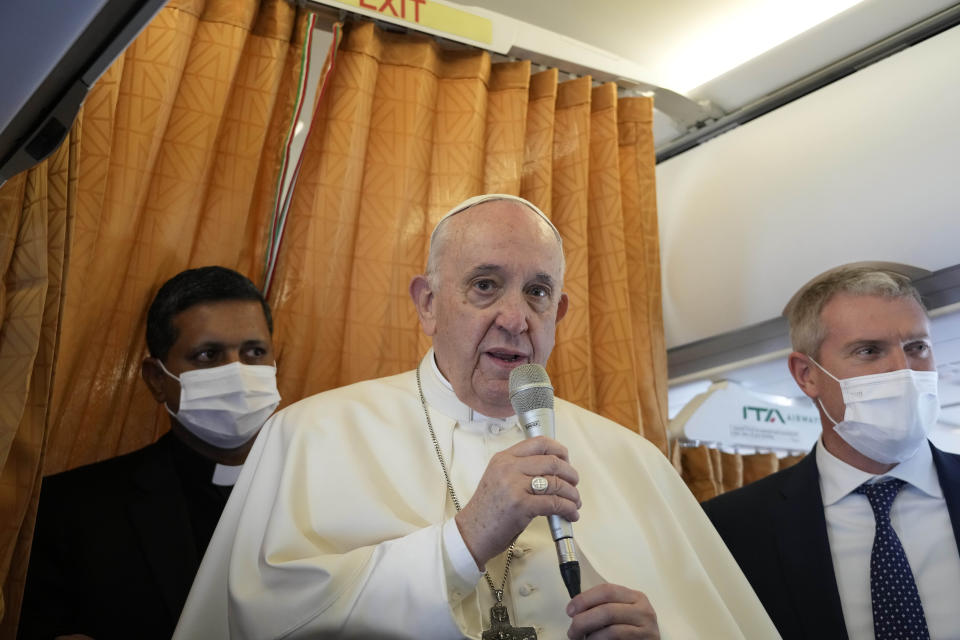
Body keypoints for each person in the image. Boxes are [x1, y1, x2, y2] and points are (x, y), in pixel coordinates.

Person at [174, 195, 778, 639]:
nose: (516, 318)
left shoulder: (634, 459)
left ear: (559, 311)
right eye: (485, 285)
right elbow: (266, 618)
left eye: (538, 293)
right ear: (429, 305)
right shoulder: (310, 434)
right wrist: (463, 543)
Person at [18, 266, 281, 640]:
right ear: (157, 379)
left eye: (254, 352)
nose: (237, 374)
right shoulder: (70, 510)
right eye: (208, 355)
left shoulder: (326, 500)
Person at [702, 265, 960, 640]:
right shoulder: (730, 528)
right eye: (869, 351)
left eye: (916, 348)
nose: (903, 371)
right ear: (807, 375)